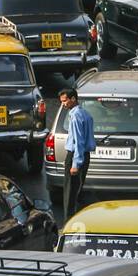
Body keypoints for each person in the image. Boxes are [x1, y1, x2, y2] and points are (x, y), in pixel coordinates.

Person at [59, 88, 94, 219]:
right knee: (77, 190)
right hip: (85, 156)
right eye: (62, 101)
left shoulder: (75, 117)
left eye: (65, 101)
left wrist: (75, 163)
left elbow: (78, 141)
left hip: (75, 155)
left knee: (70, 193)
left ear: (73, 99)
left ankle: (69, 222)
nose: (63, 104)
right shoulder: (85, 114)